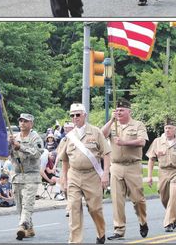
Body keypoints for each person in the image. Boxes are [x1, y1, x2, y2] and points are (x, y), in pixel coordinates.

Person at [60, 103, 110, 244]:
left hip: (92, 175)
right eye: (72, 115)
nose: (75, 117)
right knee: (74, 207)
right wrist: (64, 178)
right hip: (74, 175)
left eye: (78, 114)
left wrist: (105, 174)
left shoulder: (95, 132)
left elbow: (107, 153)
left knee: (95, 209)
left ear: (84, 115)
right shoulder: (69, 136)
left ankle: (101, 232)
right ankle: (75, 241)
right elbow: (64, 159)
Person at [101, 98, 149, 240]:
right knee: (117, 200)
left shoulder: (138, 125)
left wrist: (125, 142)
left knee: (138, 199)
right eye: (117, 110)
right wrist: (111, 120)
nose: (119, 112)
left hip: (132, 166)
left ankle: (142, 221)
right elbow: (101, 135)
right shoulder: (113, 125)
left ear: (129, 111)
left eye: (122, 110)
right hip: (115, 166)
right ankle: (119, 230)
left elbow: (142, 141)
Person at [146, 119, 176, 232]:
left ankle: (168, 223)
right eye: (166, 128)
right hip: (163, 172)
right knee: (163, 197)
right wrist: (149, 176)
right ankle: (174, 214)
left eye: (170, 128)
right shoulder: (158, 141)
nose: (167, 130)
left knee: (174, 195)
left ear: (175, 129)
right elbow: (151, 159)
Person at [8, 113, 43, 240]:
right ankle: (30, 228)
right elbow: (8, 154)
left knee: (28, 203)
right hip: (17, 175)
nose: (22, 123)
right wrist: (9, 144)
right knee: (20, 205)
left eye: (26, 121)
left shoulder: (35, 138)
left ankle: (22, 226)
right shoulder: (14, 137)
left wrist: (20, 146)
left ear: (31, 124)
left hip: (31, 175)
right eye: (21, 121)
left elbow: (37, 153)